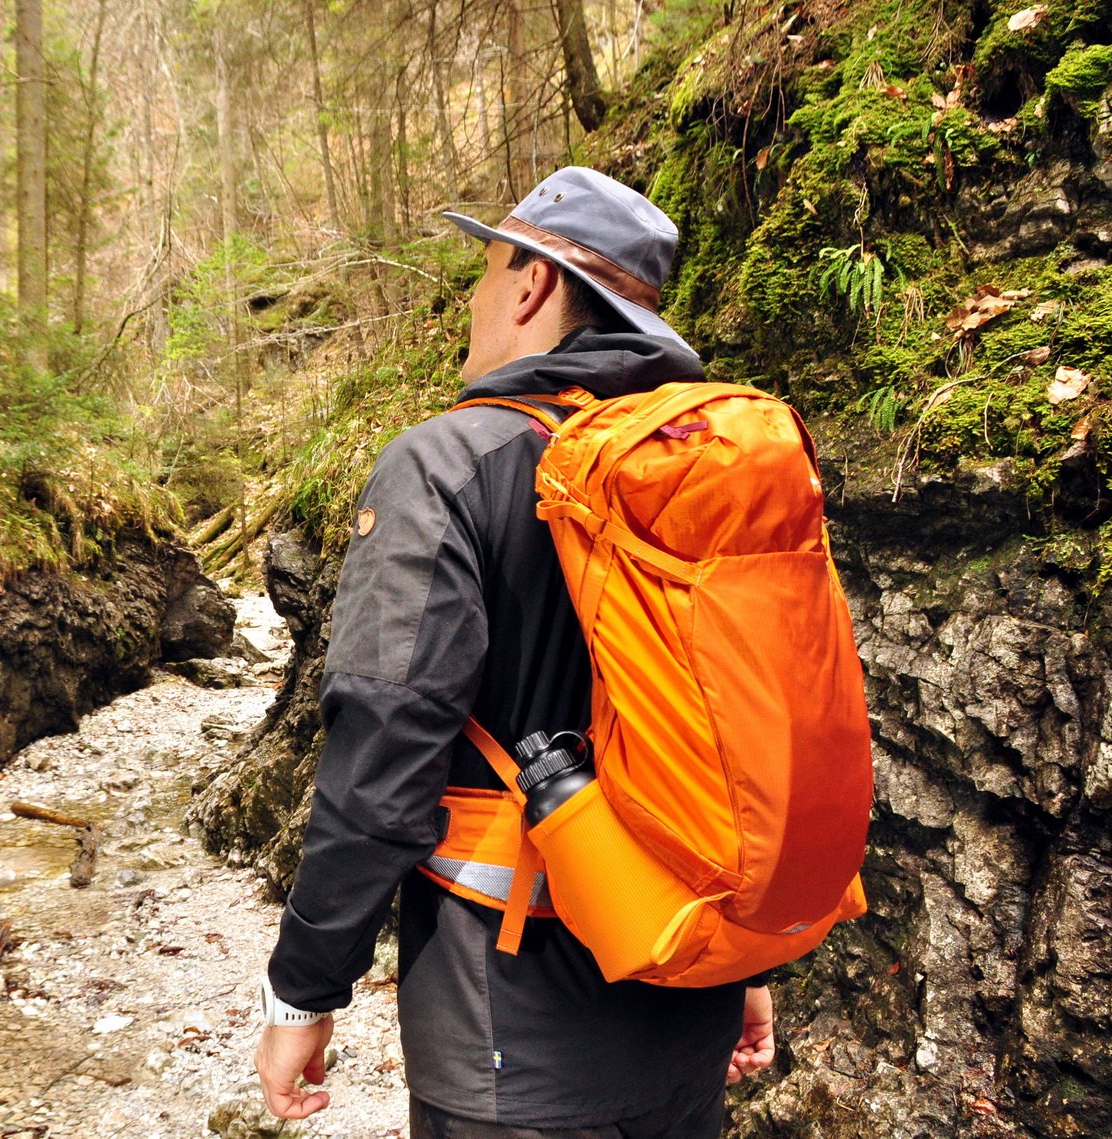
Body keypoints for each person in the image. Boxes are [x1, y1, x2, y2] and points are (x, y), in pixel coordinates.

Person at [254, 166, 776, 1138]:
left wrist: (302, 991)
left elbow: (379, 759)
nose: (474, 303)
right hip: (686, 991)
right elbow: (744, 733)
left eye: (483, 273)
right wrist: (741, 959)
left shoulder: (446, 466)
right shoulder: (705, 469)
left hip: (511, 1037)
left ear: (530, 285)